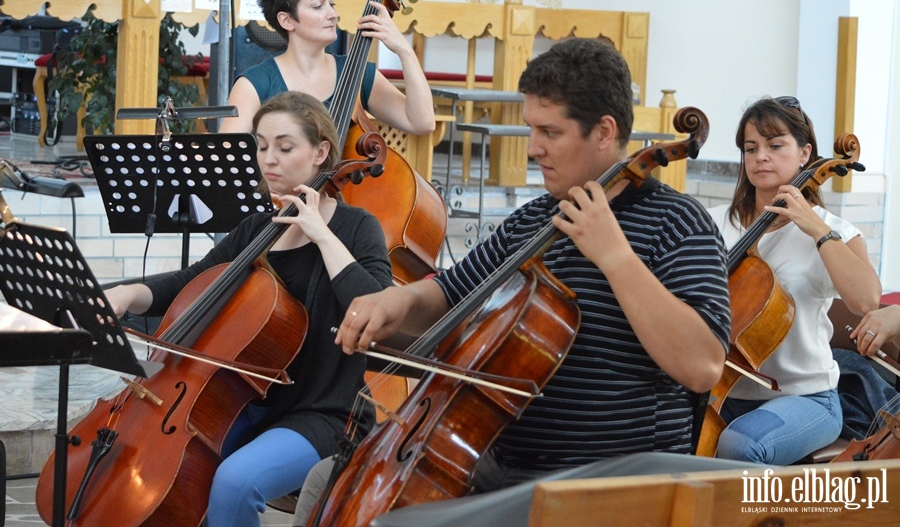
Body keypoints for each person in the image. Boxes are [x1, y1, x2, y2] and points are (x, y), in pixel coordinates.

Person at [293, 37, 732, 524]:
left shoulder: (678, 222)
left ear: (604, 131)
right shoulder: (534, 220)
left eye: (550, 131)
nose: (533, 148)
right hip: (497, 458)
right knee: (329, 481)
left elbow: (702, 365)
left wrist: (615, 257)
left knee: (399, 523)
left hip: (604, 475)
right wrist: (394, 305)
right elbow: (449, 292)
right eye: (531, 128)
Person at [105, 91, 394, 527]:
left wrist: (322, 235)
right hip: (245, 404)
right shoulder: (257, 227)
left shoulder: (356, 228)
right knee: (156, 462)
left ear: (320, 153)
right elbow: (194, 281)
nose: (268, 159)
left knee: (235, 481)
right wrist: (129, 293)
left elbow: (376, 307)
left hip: (324, 411)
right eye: (261, 146)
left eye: (284, 146)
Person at [707, 96, 882, 465]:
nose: (760, 157)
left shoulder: (835, 232)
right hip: (716, 392)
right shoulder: (715, 222)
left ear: (805, 154)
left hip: (805, 399)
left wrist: (817, 229)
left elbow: (866, 300)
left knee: (740, 445)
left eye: (774, 145)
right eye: (750, 148)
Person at [219, 0, 435, 137]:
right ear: (286, 20)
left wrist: (404, 51)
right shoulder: (254, 84)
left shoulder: (357, 73)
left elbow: (422, 123)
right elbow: (228, 157)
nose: (332, 14)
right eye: (318, 6)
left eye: (332, 4)